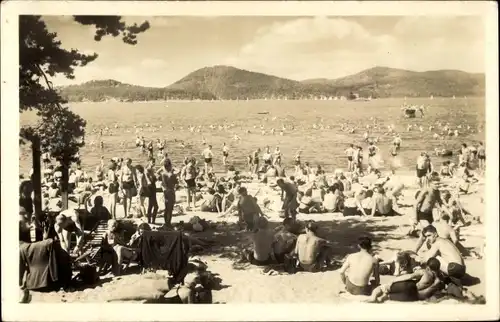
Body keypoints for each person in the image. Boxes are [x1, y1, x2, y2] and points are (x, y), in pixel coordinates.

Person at [369, 258, 443, 303]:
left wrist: (394, 280)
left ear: (428, 267)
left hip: (409, 286)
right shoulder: (438, 280)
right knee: (388, 296)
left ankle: (373, 297)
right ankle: (384, 297)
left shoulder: (425, 272)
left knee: (383, 288)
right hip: (413, 295)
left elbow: (410, 276)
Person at [411, 177, 444, 248]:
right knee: (432, 232)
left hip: (429, 215)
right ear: (430, 184)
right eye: (435, 184)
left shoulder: (437, 192)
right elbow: (415, 204)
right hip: (422, 215)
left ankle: (415, 250)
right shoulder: (426, 191)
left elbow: (440, 202)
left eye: (438, 184)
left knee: (424, 235)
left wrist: (442, 212)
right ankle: (432, 250)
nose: (437, 185)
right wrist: (415, 218)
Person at [160, 159, 178, 226]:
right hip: (171, 192)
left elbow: (163, 185)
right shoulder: (171, 175)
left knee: (167, 208)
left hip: (166, 192)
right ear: (169, 166)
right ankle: (168, 223)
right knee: (170, 209)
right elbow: (176, 182)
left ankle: (166, 222)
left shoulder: (163, 174)